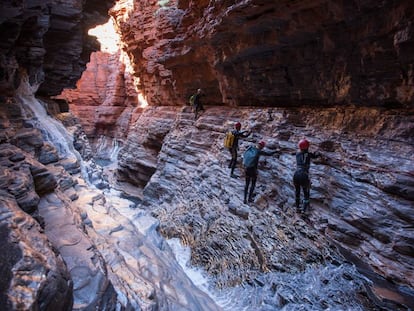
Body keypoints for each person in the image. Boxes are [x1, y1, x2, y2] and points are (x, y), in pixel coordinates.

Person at [293, 138, 320, 213]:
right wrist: (318, 152)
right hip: (304, 174)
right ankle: (304, 211)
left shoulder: (297, 154)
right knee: (306, 192)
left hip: (296, 174)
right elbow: (315, 156)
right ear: (307, 147)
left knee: (297, 191)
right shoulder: (308, 154)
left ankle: (297, 207)